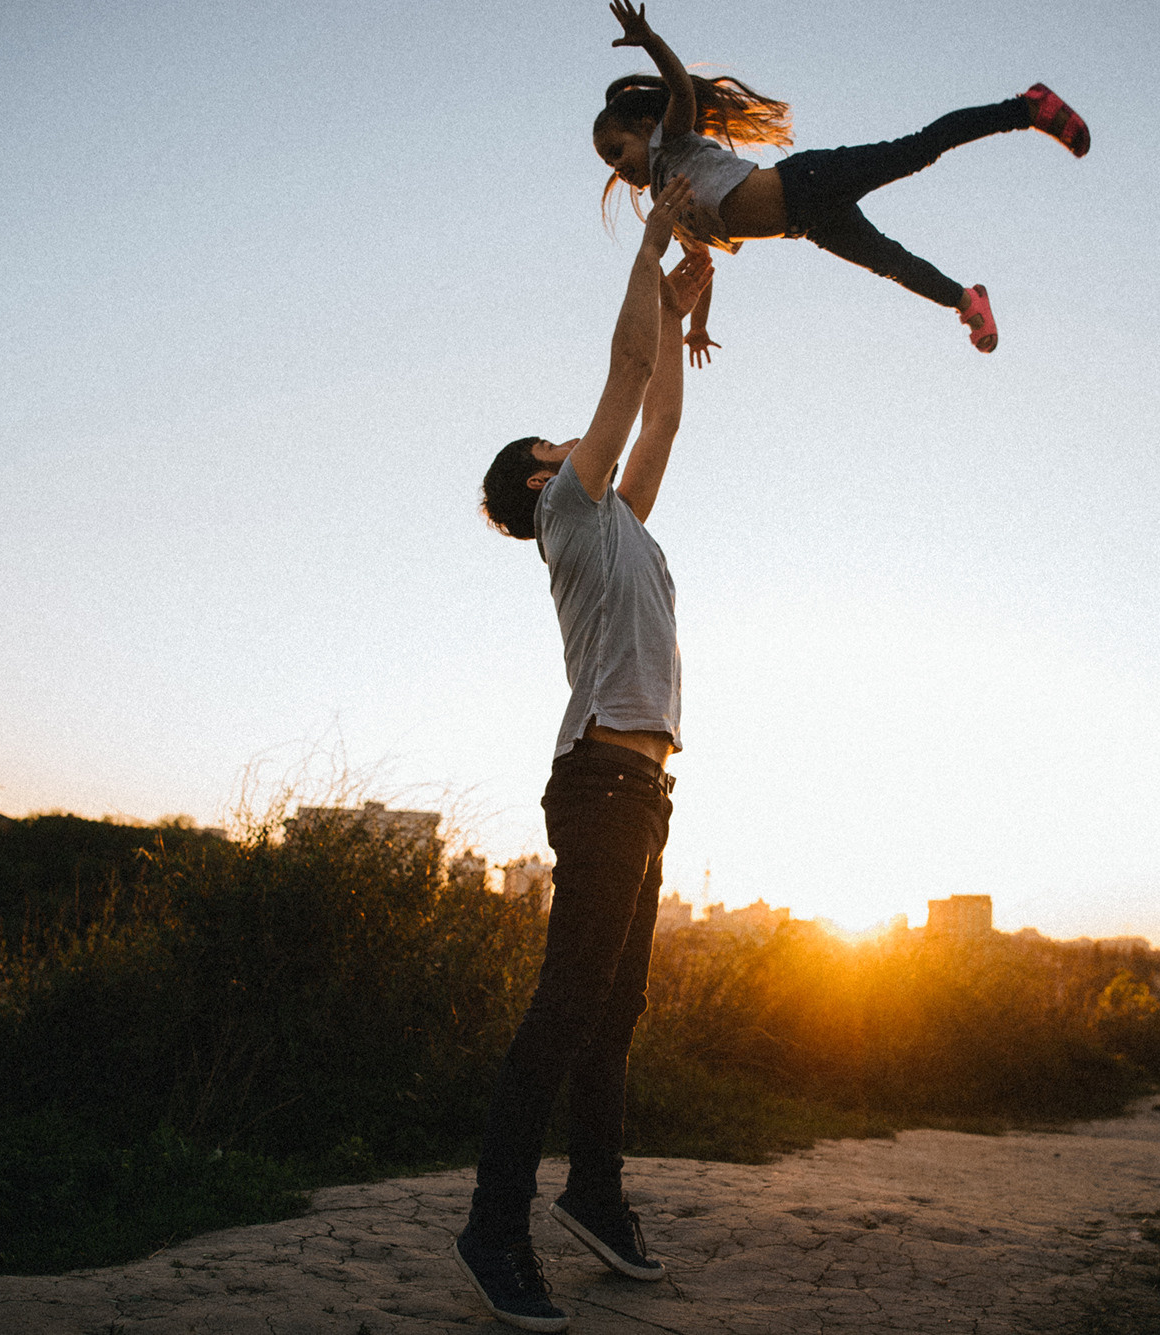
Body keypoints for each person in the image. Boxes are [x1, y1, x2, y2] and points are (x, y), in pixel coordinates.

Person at [457, 176, 712, 1333]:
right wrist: (649, 248)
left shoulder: (620, 522)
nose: (580, 437)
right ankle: (493, 1224)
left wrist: (678, 298)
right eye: (556, 444)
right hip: (602, 784)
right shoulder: (564, 508)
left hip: (643, 789)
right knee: (566, 1010)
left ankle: (594, 1198)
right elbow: (623, 379)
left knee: (613, 1015)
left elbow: (656, 410)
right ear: (534, 476)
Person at [595, 0, 1090, 359]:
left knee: (915, 151)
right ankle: (966, 300)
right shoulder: (670, 204)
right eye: (608, 164)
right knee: (889, 263)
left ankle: (1027, 108)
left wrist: (652, 42)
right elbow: (700, 269)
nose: (618, 167)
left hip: (806, 180)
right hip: (808, 223)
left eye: (617, 150)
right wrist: (697, 327)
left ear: (644, 127)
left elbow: (681, 90)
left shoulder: (672, 140)